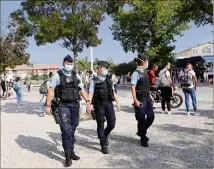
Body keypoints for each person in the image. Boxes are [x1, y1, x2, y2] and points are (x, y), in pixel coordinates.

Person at [45, 55, 91, 167]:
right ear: (63, 62)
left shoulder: (76, 76)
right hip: (62, 106)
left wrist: (88, 102)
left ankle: (71, 151)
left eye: (71, 63)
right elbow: (51, 91)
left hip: (75, 105)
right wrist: (48, 105)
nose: (69, 65)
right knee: (66, 130)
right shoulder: (57, 76)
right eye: (67, 62)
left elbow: (82, 90)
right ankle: (67, 156)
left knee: (73, 128)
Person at [88, 61, 120, 154]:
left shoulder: (109, 79)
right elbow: (91, 92)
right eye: (104, 68)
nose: (106, 70)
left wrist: (118, 102)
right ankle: (103, 145)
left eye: (106, 69)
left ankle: (105, 135)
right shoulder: (93, 80)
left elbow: (113, 92)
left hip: (108, 103)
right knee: (100, 124)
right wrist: (89, 103)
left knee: (112, 124)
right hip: (99, 105)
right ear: (98, 69)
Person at [131, 54, 155, 147]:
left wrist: (151, 96)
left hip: (147, 98)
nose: (148, 63)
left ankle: (141, 132)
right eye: (147, 61)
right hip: (140, 99)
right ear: (143, 62)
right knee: (141, 119)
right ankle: (143, 137)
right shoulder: (135, 73)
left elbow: (146, 87)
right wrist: (135, 100)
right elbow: (132, 87)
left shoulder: (144, 72)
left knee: (151, 117)